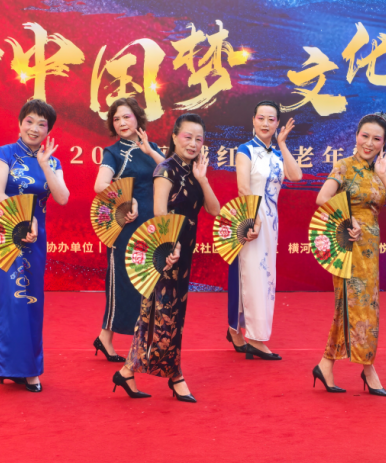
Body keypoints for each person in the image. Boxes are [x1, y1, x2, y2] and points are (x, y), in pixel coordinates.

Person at [112, 113, 220, 402]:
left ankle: (127, 371)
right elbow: (160, 213)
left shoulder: (195, 170)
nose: (193, 143)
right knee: (164, 315)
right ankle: (176, 375)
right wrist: (171, 247)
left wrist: (203, 179)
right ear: (174, 137)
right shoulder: (165, 169)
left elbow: (214, 210)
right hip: (166, 252)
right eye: (187, 137)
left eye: (199, 139)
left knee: (161, 315)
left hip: (184, 253)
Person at [312, 112, 386, 396]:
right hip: (347, 245)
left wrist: (384, 175)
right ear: (356, 136)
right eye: (364, 136)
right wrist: (347, 218)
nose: (369, 143)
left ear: (383, 143)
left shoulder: (379, 171)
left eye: (376, 139)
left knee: (362, 306)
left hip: (370, 248)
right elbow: (322, 198)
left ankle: (326, 365)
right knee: (356, 306)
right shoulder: (344, 166)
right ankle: (368, 368)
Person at [0, 99, 69, 393]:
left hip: (36, 238)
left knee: (32, 301)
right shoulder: (4, 153)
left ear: (49, 130)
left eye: (41, 124)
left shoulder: (52, 161)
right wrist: (25, 216)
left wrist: (45, 165)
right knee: (10, 302)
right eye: (29, 121)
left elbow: (62, 198)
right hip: (6, 234)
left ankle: (30, 368)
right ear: (20, 123)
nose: (34, 128)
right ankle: (10, 367)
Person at [225, 101, 303, 359]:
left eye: (271, 119)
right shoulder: (245, 150)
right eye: (261, 118)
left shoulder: (278, 153)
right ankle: (256, 340)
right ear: (253, 120)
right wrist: (254, 220)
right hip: (250, 221)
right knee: (252, 276)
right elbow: (243, 188)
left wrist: (282, 144)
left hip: (271, 223)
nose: (266, 123)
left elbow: (296, 176)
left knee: (265, 278)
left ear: (277, 123)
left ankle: (235, 330)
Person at [92, 98, 165, 362]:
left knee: (149, 285)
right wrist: (127, 198)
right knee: (123, 284)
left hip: (152, 228)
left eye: (126, 117)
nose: (122, 123)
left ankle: (124, 340)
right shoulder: (113, 152)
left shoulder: (152, 148)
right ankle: (111, 337)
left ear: (138, 118)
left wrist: (150, 151)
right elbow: (100, 185)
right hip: (126, 227)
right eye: (116, 119)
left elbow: (171, 173)